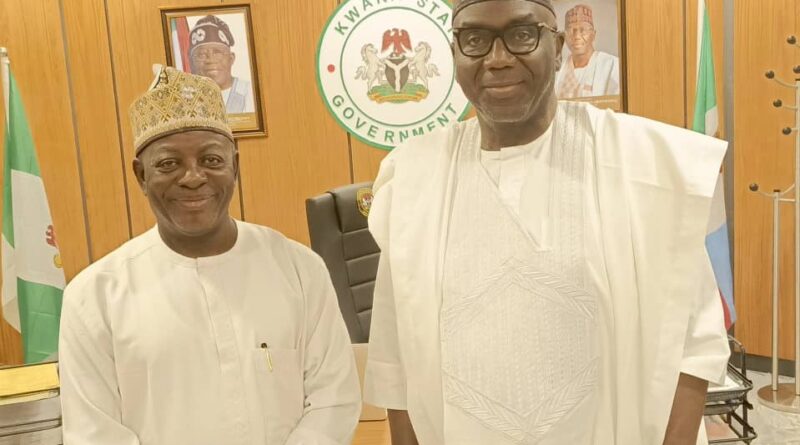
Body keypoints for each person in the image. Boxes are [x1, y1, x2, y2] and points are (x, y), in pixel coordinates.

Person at [363, 0, 729, 444]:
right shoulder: (413, 182)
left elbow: (694, 347)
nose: (497, 59)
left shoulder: (645, 169)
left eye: (521, 35)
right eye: (475, 39)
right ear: (455, 53)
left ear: (556, 48)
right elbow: (395, 362)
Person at [59, 66, 361, 445]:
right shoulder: (94, 296)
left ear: (235, 164)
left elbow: (333, 402)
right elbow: (93, 433)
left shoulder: (300, 270)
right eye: (169, 164)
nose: (192, 177)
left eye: (211, 160)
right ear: (140, 175)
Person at [189, 15, 255, 113]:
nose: (210, 60)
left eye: (217, 52)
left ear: (231, 58)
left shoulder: (250, 92)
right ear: (192, 62)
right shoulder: (186, 97)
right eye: (202, 54)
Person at [555, 4, 620, 99]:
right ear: (565, 36)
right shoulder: (557, 70)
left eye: (583, 30)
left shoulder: (612, 65)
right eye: (571, 30)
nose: (576, 36)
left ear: (593, 35)